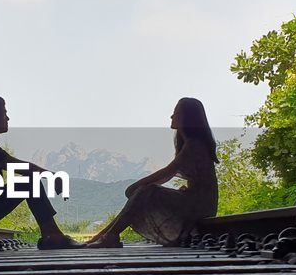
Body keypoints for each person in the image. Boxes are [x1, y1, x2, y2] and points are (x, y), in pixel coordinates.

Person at [84, 97, 219, 247]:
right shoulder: (190, 144)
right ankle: (107, 235)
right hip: (198, 203)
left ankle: (108, 236)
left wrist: (134, 188)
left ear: (188, 117)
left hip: (200, 206)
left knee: (146, 191)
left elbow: (167, 173)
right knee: (145, 191)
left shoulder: (194, 145)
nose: (172, 116)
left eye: (176, 112)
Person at [0, 94, 79, 249]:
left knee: (28, 181)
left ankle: (51, 234)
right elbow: (22, 168)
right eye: (3, 113)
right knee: (29, 182)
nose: (8, 118)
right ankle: (52, 235)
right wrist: (54, 177)